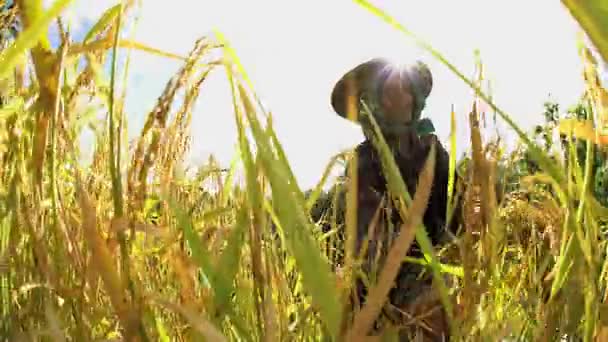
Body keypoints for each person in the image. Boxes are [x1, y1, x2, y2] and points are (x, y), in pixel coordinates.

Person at [328, 57, 458, 340]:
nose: (395, 99)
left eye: (403, 90)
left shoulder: (434, 153)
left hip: (431, 273)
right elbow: (365, 244)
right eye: (385, 92)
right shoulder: (362, 161)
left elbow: (452, 221)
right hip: (377, 282)